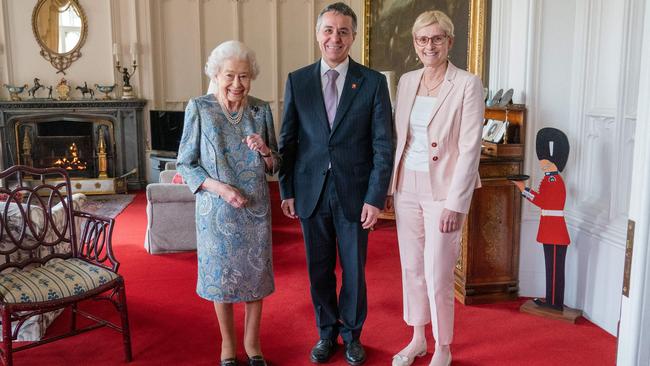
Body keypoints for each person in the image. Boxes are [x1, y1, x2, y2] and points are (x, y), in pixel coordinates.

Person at [278, 2, 393, 365]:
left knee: (355, 271)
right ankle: (326, 333)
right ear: (318, 34)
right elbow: (288, 142)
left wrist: (376, 197)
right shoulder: (298, 81)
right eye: (328, 30)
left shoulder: (373, 82)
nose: (335, 38)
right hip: (311, 193)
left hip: (355, 195)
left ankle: (352, 335)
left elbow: (382, 145)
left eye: (343, 31)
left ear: (353, 36)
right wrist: (287, 190)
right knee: (318, 268)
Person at [388, 10, 484, 366]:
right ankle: (417, 338)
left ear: (449, 42)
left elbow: (470, 146)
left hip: (444, 191)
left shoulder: (467, 84)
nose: (430, 45)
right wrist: (390, 185)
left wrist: (456, 203)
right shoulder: (408, 81)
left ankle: (443, 346)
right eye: (423, 39)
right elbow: (402, 138)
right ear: (415, 44)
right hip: (406, 188)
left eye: (437, 38)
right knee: (411, 268)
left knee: (437, 272)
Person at [176, 40, 279, 366]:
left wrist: (265, 151)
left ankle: (253, 345)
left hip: (254, 210)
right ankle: (228, 346)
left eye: (244, 76)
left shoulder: (261, 110)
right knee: (221, 279)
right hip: (216, 209)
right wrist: (219, 188)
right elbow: (185, 163)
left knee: (255, 279)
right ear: (216, 75)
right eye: (230, 76)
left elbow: (276, 164)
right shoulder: (199, 108)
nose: (237, 84)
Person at [512, 128, 571, 311]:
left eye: (545, 162)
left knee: (554, 268)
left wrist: (524, 190)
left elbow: (543, 201)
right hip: (551, 228)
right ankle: (552, 299)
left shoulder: (553, 181)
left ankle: (554, 302)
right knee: (551, 267)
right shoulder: (550, 179)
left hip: (554, 230)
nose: (542, 165)